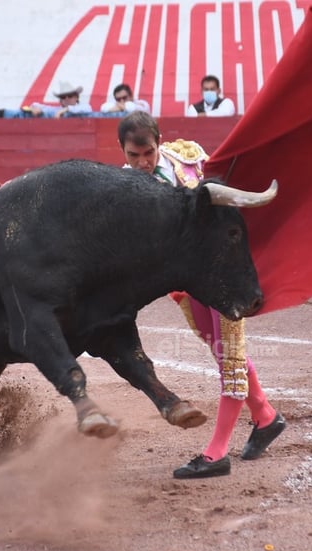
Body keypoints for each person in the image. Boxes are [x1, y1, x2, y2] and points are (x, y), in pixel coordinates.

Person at [116, 111, 285, 479]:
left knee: (231, 359)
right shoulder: (125, 191)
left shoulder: (189, 161)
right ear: (123, 153)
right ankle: (266, 417)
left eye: (148, 153)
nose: (142, 163)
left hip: (223, 278)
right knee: (221, 351)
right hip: (187, 285)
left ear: (159, 143)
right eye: (134, 156)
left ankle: (216, 454)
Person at [24, 81, 93, 118]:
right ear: (60, 100)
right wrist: (34, 108)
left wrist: (65, 110)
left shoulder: (83, 107)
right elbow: (36, 105)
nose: (66, 98)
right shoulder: (57, 110)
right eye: (63, 96)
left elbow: (87, 108)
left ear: (76, 97)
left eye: (70, 95)